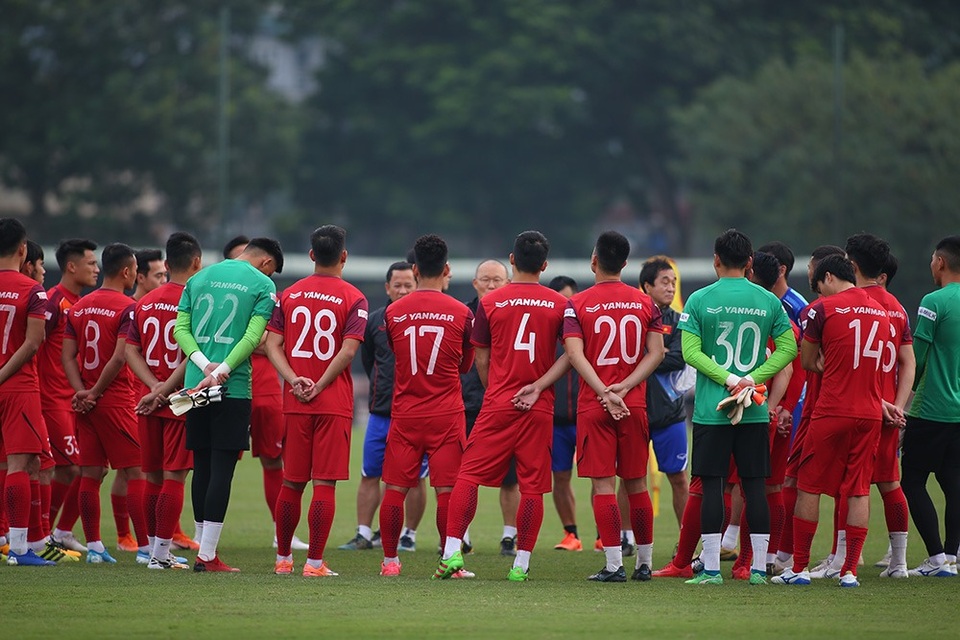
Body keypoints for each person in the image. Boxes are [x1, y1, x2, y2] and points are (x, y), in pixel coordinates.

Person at [434, 231, 568, 581]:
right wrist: (537, 387)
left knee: (468, 475)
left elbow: (481, 357)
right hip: (538, 405)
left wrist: (499, 390)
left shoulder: (490, 303)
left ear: (512, 261)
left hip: (498, 402)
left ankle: (451, 554)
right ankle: (520, 565)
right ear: (544, 265)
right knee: (533, 485)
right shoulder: (559, 304)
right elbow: (572, 354)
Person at [678, 229, 796, 586]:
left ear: (715, 260)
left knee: (712, 486)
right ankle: (759, 569)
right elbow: (788, 349)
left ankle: (711, 569)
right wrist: (751, 379)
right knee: (755, 487)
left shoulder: (699, 299)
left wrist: (729, 379)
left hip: (713, 409)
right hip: (754, 408)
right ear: (749, 263)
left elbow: (690, 353)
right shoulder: (768, 301)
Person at [773, 254, 892, 588]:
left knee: (808, 485)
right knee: (857, 491)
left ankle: (798, 567)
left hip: (832, 409)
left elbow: (808, 361)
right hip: (869, 411)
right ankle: (850, 570)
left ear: (827, 278)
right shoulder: (881, 312)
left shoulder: (824, 309)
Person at [174, 236, 283, 572]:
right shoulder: (263, 285)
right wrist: (221, 370)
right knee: (222, 468)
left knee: (202, 466)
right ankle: (207, 556)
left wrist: (203, 364)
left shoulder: (198, 277)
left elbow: (181, 329)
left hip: (195, 384)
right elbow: (252, 338)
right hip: (232, 388)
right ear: (267, 263)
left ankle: (203, 550)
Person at [564, 231, 666, 582]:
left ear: (594, 261)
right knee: (636, 484)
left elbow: (574, 354)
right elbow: (657, 353)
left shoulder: (577, 304)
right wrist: (625, 386)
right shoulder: (646, 304)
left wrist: (605, 392)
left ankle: (612, 566)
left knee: (603, 486)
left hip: (595, 405)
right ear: (625, 264)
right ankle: (645, 563)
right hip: (633, 403)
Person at [265, 225, 366, 577]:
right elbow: (348, 350)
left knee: (291, 481)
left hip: (294, 401)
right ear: (343, 256)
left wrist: (294, 381)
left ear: (311, 255)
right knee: (324, 482)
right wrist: (321, 384)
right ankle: (314, 563)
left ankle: (282, 559)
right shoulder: (354, 298)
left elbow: (271, 345)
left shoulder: (288, 295)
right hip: (331, 401)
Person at [378, 234, 474, 576]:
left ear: (415, 269)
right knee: (447, 490)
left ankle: (390, 562)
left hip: (406, 412)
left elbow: (395, 352)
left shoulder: (393, 312)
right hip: (446, 413)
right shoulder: (463, 313)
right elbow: (465, 365)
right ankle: (449, 559)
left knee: (395, 489)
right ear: (446, 268)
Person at [62, 242, 150, 564]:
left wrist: (81, 391)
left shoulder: (80, 305)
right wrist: (97, 392)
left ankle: (95, 546)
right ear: (128, 272)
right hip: (114, 399)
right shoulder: (128, 307)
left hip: (85, 400)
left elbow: (67, 356)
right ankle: (145, 548)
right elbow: (119, 356)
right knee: (136, 471)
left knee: (90, 473)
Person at [222, 236, 306, 551]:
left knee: (273, 460)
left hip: (268, 389)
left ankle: (280, 532)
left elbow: (274, 342)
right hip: (228, 384)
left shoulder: (272, 294)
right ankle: (202, 533)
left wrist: (247, 344)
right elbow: (265, 342)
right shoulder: (221, 292)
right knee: (218, 460)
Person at [125, 233, 204, 569]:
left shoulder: (144, 301)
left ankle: (151, 551)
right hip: (179, 401)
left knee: (153, 478)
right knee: (174, 478)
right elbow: (194, 353)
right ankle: (159, 555)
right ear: (198, 263)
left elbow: (130, 351)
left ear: (167, 265)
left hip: (149, 399)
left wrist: (152, 386)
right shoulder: (197, 301)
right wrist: (167, 389)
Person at [340, 261, 426, 552]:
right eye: (397, 285)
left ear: (417, 285)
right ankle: (364, 533)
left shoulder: (426, 319)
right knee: (370, 474)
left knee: (414, 478)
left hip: (415, 413)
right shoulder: (374, 320)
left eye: (408, 285)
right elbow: (368, 362)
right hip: (381, 413)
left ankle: (408, 535)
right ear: (387, 288)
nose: (403, 291)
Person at [845, 233, 914, 578]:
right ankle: (899, 562)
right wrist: (898, 406)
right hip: (888, 412)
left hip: (859, 405)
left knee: (850, 484)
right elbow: (908, 362)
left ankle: (846, 559)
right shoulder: (897, 307)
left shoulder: (849, 303)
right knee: (890, 483)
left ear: (852, 265)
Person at [900, 235, 960, 578]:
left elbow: (916, 361)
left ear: (940, 262)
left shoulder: (934, 302)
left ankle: (936, 559)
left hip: (931, 408)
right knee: (954, 482)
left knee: (912, 480)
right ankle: (952, 555)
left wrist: (902, 405)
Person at [0, 218, 55, 566]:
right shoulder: (31, 290)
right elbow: (34, 343)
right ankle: (20, 549)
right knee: (22, 464)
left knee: (3, 464)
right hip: (18, 387)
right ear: (23, 250)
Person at [110, 247, 170, 553]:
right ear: (139, 276)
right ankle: (135, 539)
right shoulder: (133, 309)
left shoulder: (151, 308)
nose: (163, 280)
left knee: (146, 472)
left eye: (165, 274)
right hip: (134, 397)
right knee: (138, 471)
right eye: (157, 275)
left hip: (148, 393)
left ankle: (158, 537)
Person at [44, 239, 100, 555]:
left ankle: (60, 532)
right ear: (71, 266)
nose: (96, 268)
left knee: (93, 468)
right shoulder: (53, 302)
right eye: (91, 263)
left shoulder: (80, 304)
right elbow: (33, 347)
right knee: (72, 468)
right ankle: (42, 534)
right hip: (51, 400)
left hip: (75, 401)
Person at [460, 259, 519, 555]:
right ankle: (462, 536)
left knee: (511, 478)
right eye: (485, 279)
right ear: (475, 283)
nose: (491, 285)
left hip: (506, 405)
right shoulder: (462, 314)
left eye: (498, 280)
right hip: (467, 405)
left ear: (508, 282)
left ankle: (509, 536)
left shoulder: (514, 312)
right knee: (465, 475)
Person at [639, 257, 691, 528]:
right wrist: (660, 353)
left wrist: (651, 355)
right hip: (635, 413)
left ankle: (685, 542)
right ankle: (626, 538)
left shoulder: (681, 320)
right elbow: (630, 357)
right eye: (664, 282)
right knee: (631, 480)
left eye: (673, 282)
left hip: (670, 416)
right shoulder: (633, 319)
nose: (671, 288)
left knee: (679, 478)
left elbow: (679, 359)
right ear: (647, 286)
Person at [547, 275, 582, 552]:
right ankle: (571, 534)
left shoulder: (588, 329)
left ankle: (605, 536)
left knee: (601, 477)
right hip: (556, 420)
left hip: (586, 415)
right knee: (560, 476)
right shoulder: (546, 335)